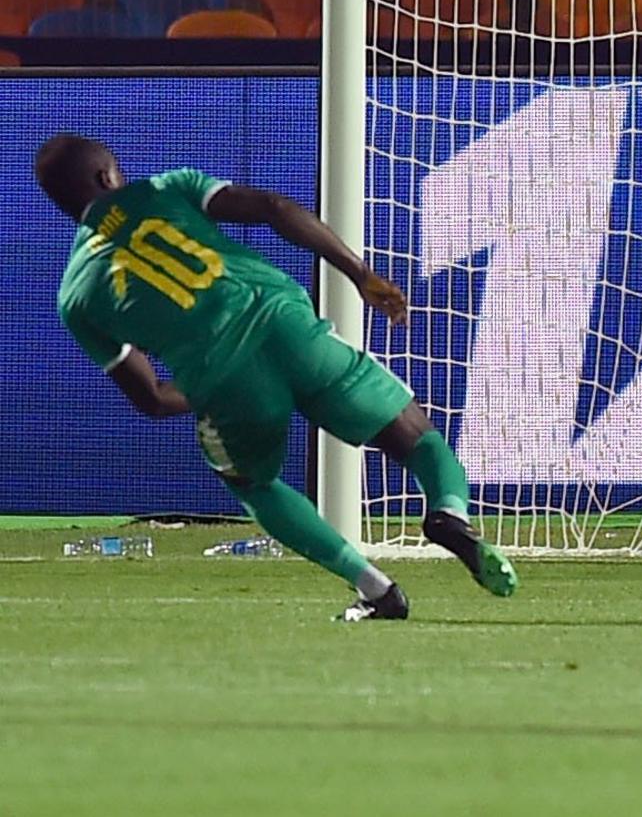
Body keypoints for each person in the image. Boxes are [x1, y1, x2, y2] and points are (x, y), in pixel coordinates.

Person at [43, 134, 516, 621]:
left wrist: (210, 382)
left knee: (250, 482)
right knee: (418, 438)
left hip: (223, 381)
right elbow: (274, 206)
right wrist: (359, 274)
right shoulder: (165, 188)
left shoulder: (76, 297)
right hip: (291, 329)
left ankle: (376, 590)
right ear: (107, 177)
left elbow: (155, 399)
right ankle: (449, 513)